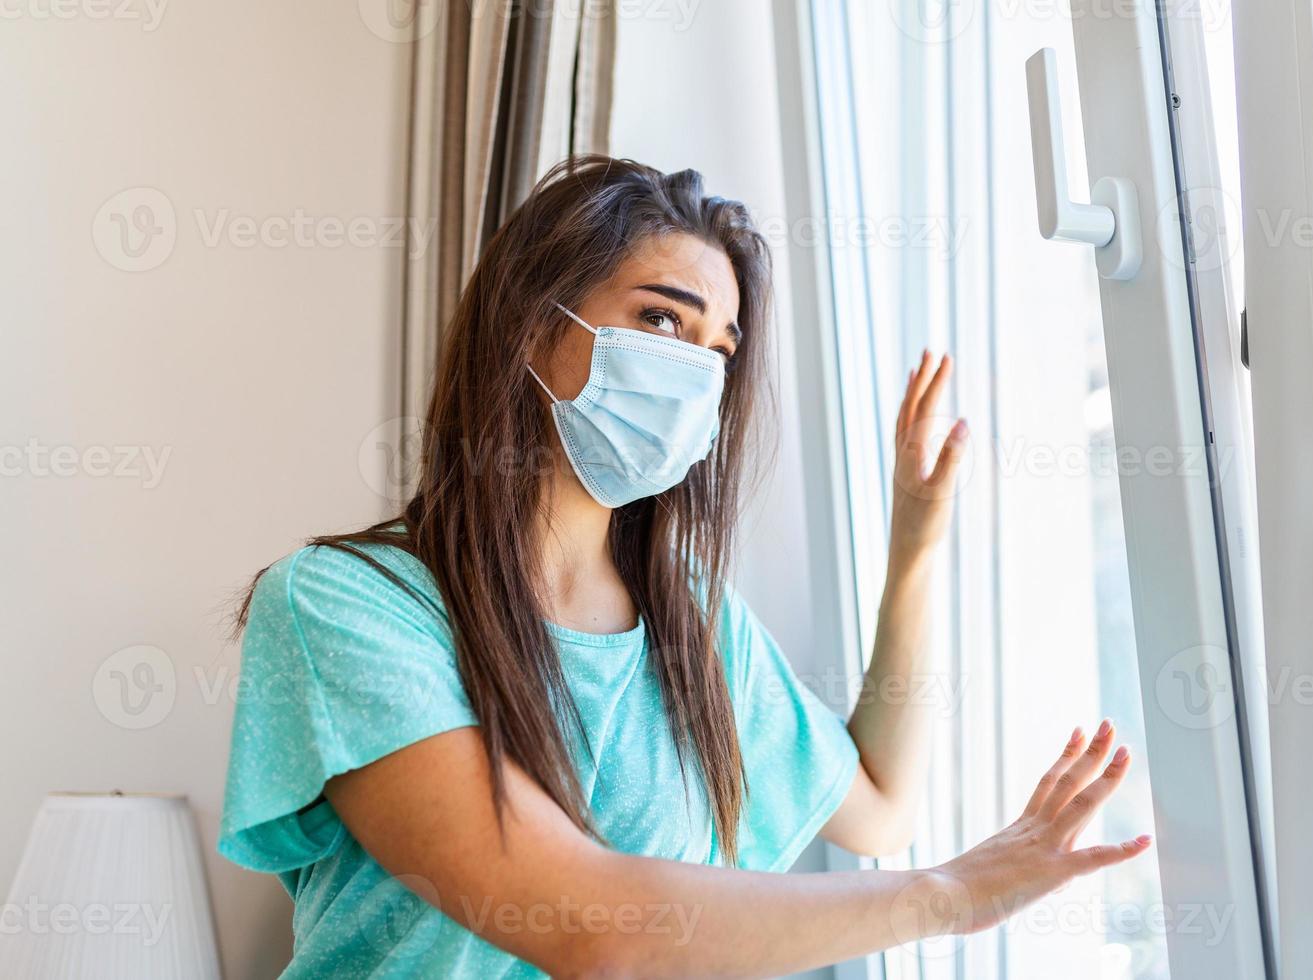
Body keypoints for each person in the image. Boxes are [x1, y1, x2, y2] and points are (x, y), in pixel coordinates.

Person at [219, 155, 1151, 978]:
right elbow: (593, 930)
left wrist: (914, 546)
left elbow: (876, 809)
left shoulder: (690, 620)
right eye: (663, 321)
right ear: (527, 326)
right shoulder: (345, 606)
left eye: (719, 351)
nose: (698, 373)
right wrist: (951, 894)